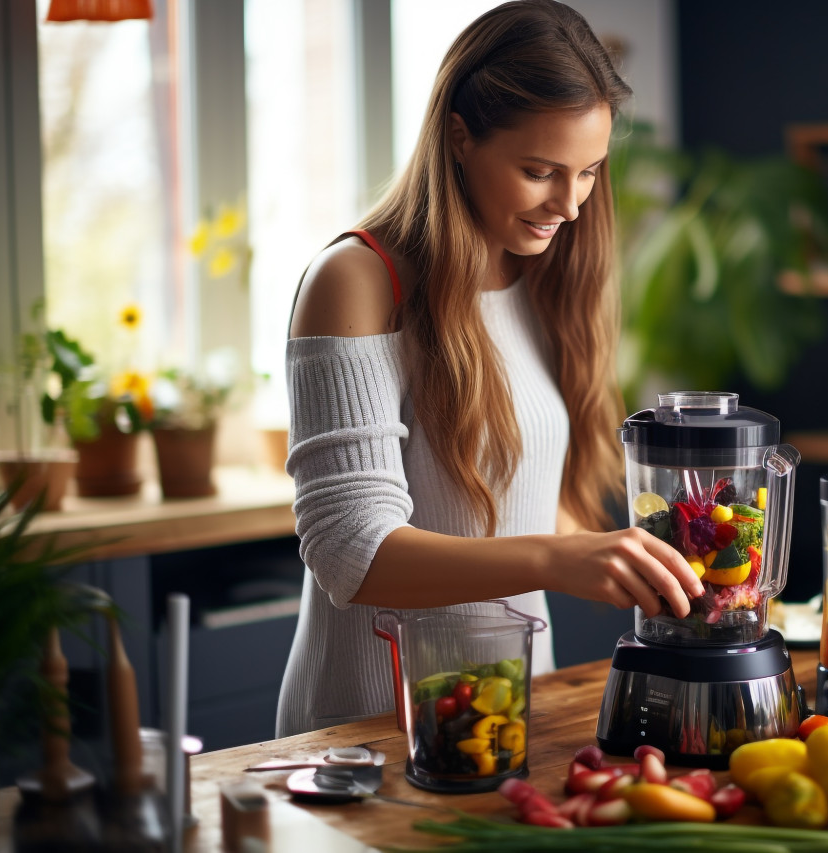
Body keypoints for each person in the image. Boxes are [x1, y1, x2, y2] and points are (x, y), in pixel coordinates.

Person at [276, 0, 701, 737]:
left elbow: (522, 501)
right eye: (539, 171)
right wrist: (560, 558)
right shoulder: (357, 280)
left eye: (589, 172)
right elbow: (352, 551)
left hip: (506, 714)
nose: (568, 204)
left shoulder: (543, 277)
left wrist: (652, 556)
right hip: (371, 728)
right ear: (460, 136)